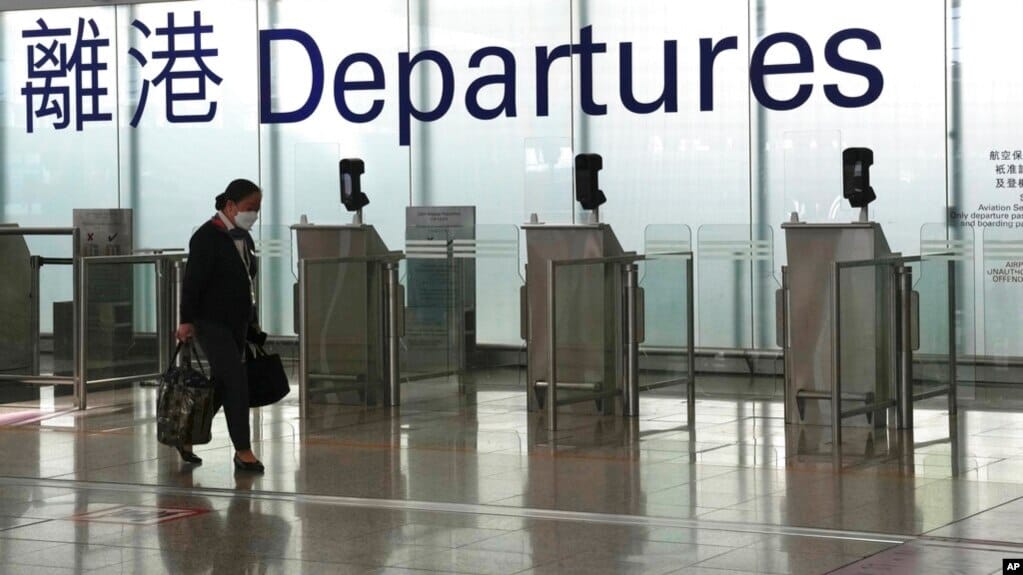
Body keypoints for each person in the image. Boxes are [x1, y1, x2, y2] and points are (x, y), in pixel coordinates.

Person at [176, 178, 266, 472]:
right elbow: (193, 283)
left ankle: (186, 434)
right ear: (230, 205)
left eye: (257, 209)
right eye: (249, 208)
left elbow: (246, 280)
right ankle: (243, 451)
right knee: (236, 381)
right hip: (210, 321)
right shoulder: (206, 237)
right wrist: (186, 320)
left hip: (237, 322)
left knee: (221, 384)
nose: (253, 214)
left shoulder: (245, 238)